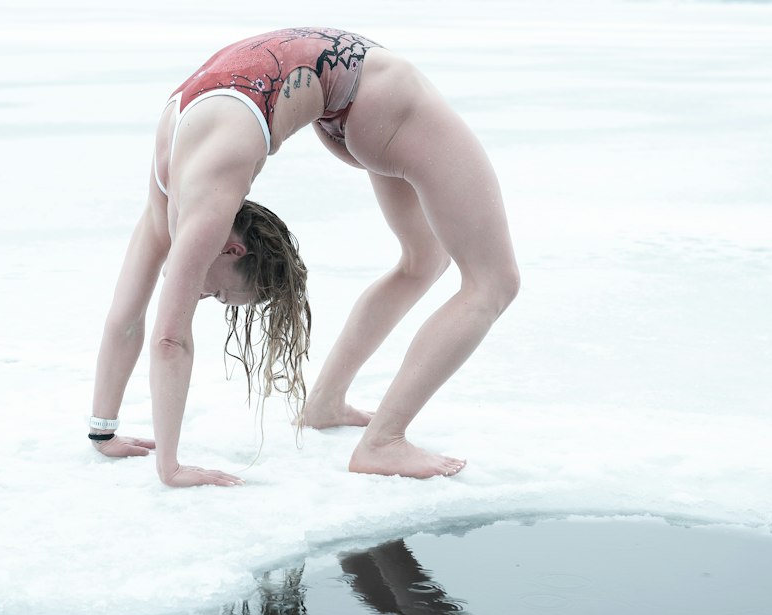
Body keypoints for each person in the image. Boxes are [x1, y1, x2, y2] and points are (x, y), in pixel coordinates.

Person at [88, 27, 519, 486]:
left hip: (367, 101)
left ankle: (333, 408)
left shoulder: (205, 203)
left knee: (449, 268)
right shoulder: (175, 201)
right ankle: (381, 440)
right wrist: (104, 432)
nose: (200, 292)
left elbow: (169, 339)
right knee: (481, 278)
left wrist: (168, 467)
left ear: (232, 247)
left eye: (217, 293)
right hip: (368, 101)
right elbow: (127, 317)